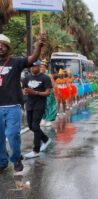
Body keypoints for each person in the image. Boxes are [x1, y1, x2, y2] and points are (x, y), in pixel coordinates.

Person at [0, 33, 45, 173]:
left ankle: (16, 158)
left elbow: (32, 58)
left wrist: (38, 46)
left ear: (8, 48)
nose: (0, 48)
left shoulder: (16, 62)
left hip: (13, 106)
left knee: (12, 134)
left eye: (3, 45)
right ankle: (2, 162)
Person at [22, 61, 52, 159]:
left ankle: (36, 150)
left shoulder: (45, 78)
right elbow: (24, 89)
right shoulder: (27, 78)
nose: (33, 68)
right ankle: (46, 139)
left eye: (35, 66)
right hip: (29, 104)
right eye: (31, 66)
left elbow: (47, 93)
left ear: (39, 66)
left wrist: (35, 92)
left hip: (40, 105)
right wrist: (25, 92)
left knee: (35, 126)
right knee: (31, 126)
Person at [41, 60, 57, 127]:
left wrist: (55, 91)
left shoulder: (49, 75)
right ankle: (43, 119)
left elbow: (54, 85)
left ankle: (49, 119)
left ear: (45, 68)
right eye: (40, 67)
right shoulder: (39, 75)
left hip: (49, 93)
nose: (41, 68)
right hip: (41, 92)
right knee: (42, 106)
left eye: (42, 67)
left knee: (49, 106)